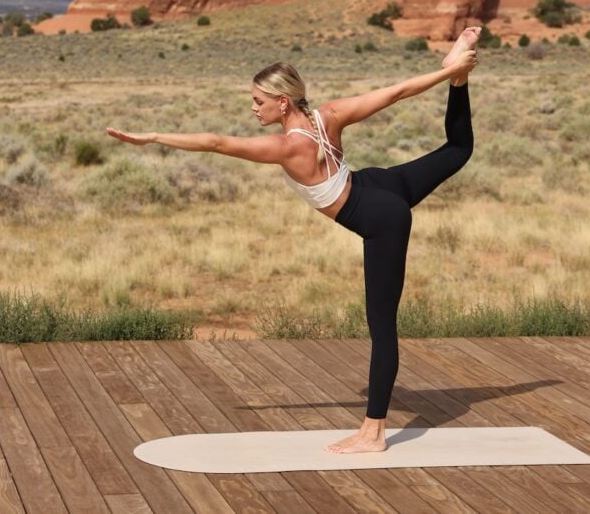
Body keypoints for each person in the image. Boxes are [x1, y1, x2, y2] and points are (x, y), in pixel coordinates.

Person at [107, 26, 479, 454]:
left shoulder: (288, 147)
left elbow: (215, 143)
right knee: (458, 148)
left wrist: (151, 137)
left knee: (383, 327)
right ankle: (459, 77)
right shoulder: (330, 114)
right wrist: (446, 72)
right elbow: (395, 92)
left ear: (282, 102)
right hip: (380, 184)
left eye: (258, 101)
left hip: (382, 217)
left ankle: (373, 432)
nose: (253, 108)